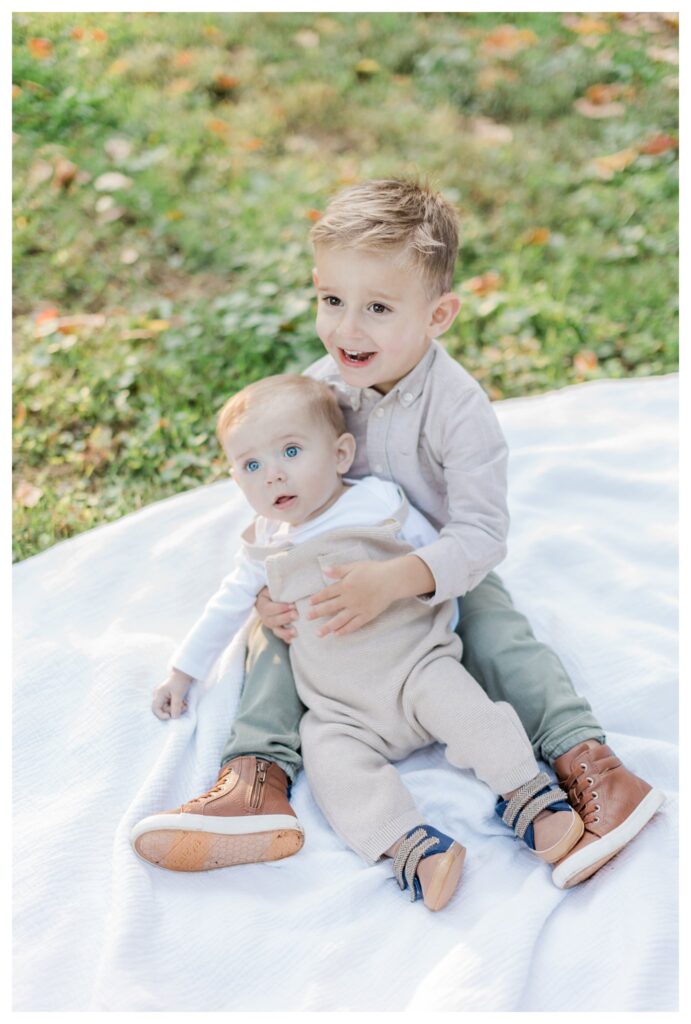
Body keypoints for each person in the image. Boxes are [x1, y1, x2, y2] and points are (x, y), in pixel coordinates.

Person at [133, 179, 663, 891]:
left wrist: (396, 580)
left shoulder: (459, 411)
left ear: (437, 313)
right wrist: (268, 595)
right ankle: (254, 780)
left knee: (502, 636)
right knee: (275, 636)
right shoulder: (323, 389)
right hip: (333, 570)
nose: (347, 329)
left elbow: (480, 535)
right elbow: (283, 495)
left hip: (435, 565)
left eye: (378, 308)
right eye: (332, 301)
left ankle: (590, 766)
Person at [132, 375, 584, 910]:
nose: (273, 473)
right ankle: (412, 847)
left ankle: (528, 795)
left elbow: (440, 559)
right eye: (251, 466)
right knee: (331, 767)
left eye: (291, 452)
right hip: (341, 709)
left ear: (342, 453)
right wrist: (184, 672)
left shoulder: (377, 502)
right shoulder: (264, 548)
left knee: (472, 715)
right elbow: (222, 610)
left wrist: (442, 617)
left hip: (416, 668)